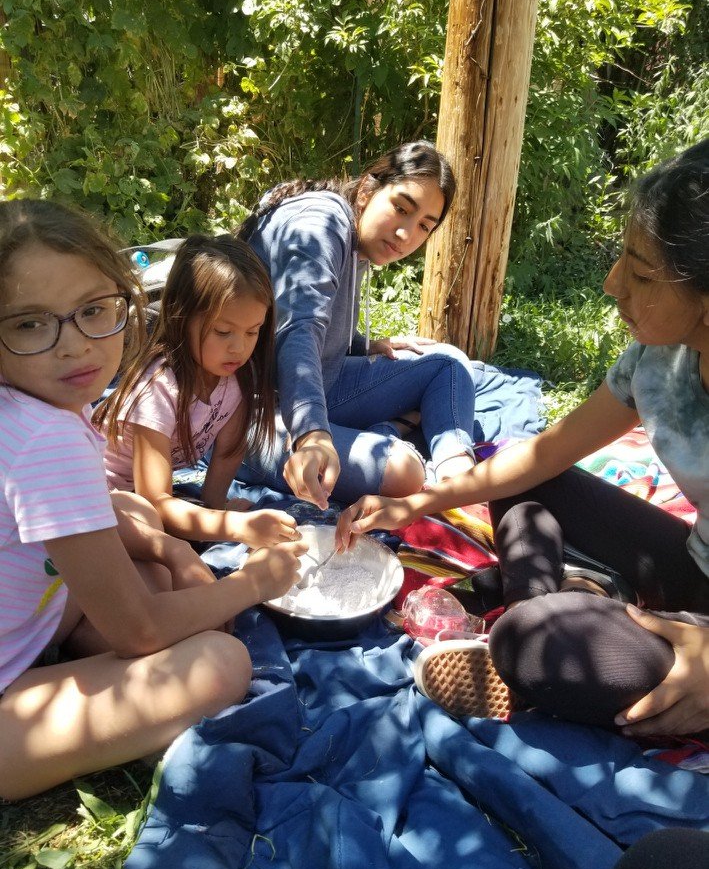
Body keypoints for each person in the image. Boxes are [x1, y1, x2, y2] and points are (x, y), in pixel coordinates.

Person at [336, 138, 709, 737]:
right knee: (528, 476)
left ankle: (540, 627)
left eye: (640, 274)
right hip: (693, 565)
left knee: (531, 643)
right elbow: (547, 456)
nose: (613, 285)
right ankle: (550, 605)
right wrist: (417, 502)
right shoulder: (658, 359)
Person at [0, 201, 306, 801]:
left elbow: (114, 512)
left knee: (143, 537)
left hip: (30, 614)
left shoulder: (41, 405)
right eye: (31, 323)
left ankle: (72, 655)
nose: (75, 346)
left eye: (93, 311)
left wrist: (171, 549)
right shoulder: (49, 436)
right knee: (222, 662)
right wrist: (251, 583)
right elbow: (139, 631)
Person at [237, 140, 482, 509]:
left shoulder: (359, 239)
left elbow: (314, 310)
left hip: (318, 384)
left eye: (423, 227)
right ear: (368, 189)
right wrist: (312, 436)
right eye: (400, 209)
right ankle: (394, 434)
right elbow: (298, 329)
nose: (406, 235)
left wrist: (363, 345)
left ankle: (455, 475)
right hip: (245, 414)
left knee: (446, 362)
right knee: (403, 473)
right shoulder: (321, 225)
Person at [95, 234, 301, 548]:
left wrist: (216, 509)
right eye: (223, 331)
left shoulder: (235, 375)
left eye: (253, 331)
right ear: (182, 317)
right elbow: (157, 503)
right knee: (163, 552)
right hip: (99, 496)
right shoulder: (158, 389)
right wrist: (234, 526)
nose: (240, 347)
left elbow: (229, 451)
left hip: (146, 497)